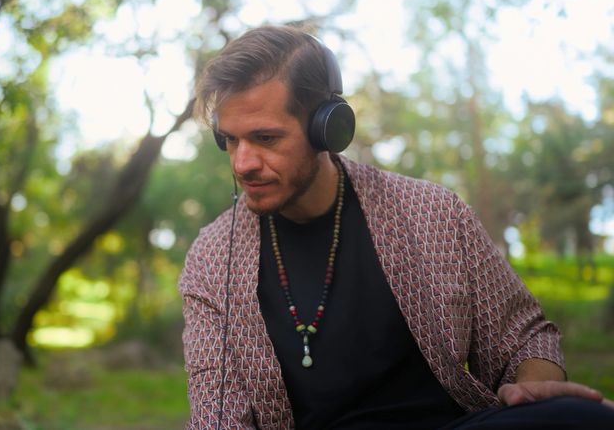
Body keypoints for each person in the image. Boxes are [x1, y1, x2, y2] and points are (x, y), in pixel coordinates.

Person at [178, 24, 614, 429]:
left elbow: (523, 337)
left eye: (266, 138)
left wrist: (535, 386)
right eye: (230, 139)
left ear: (329, 129)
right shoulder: (213, 258)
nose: (242, 163)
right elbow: (219, 417)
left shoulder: (432, 212)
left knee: (584, 418)